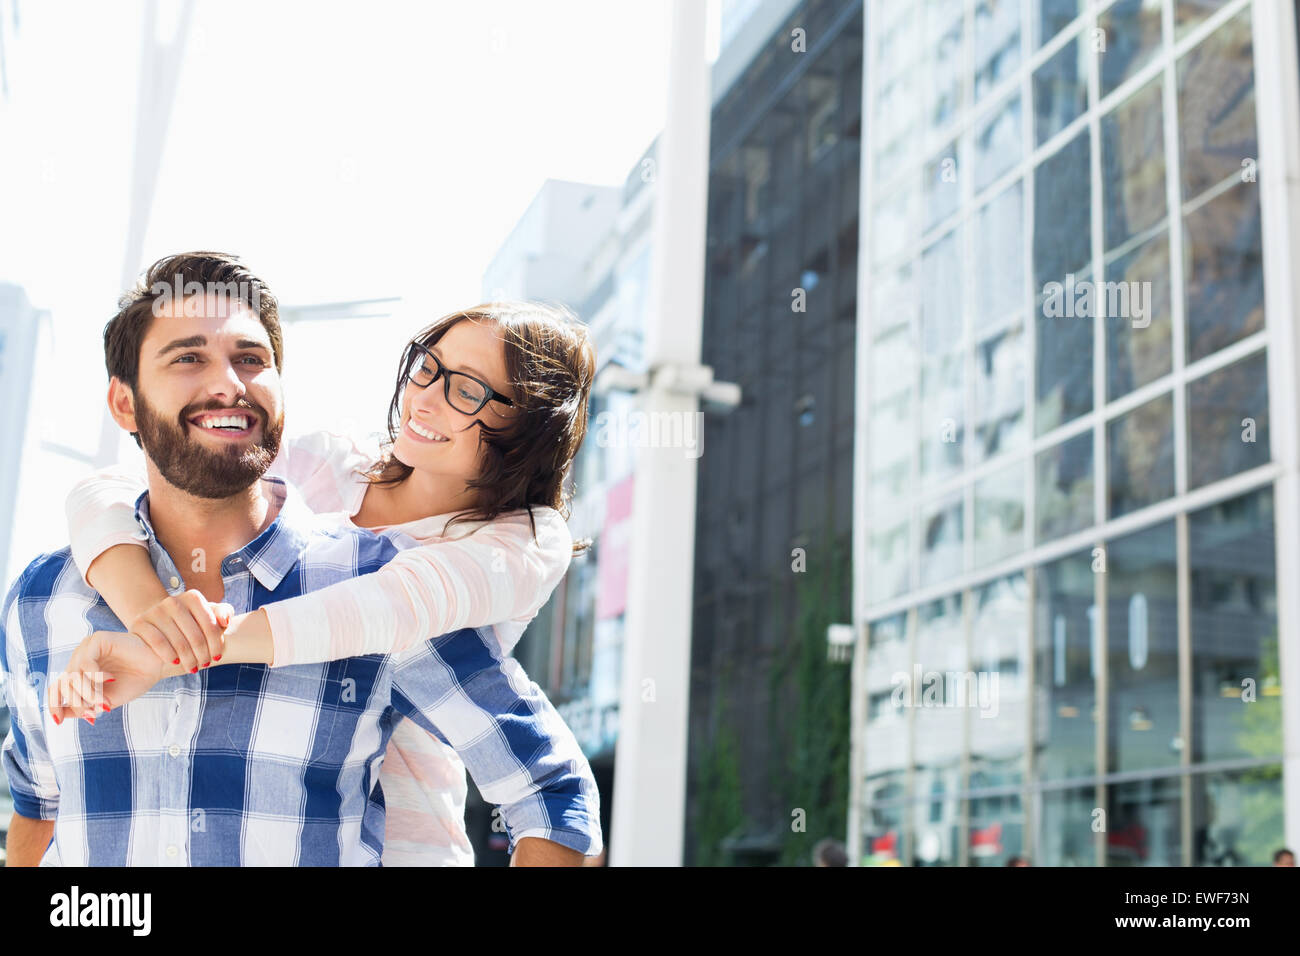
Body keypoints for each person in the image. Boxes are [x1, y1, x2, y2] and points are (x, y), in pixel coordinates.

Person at [2, 251, 601, 866]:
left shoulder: (505, 547)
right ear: (124, 402)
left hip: (411, 840)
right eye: (428, 368)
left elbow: (383, 611)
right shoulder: (50, 596)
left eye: (470, 391)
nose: (427, 399)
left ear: (530, 429)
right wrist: (150, 610)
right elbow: (111, 489)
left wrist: (171, 650)